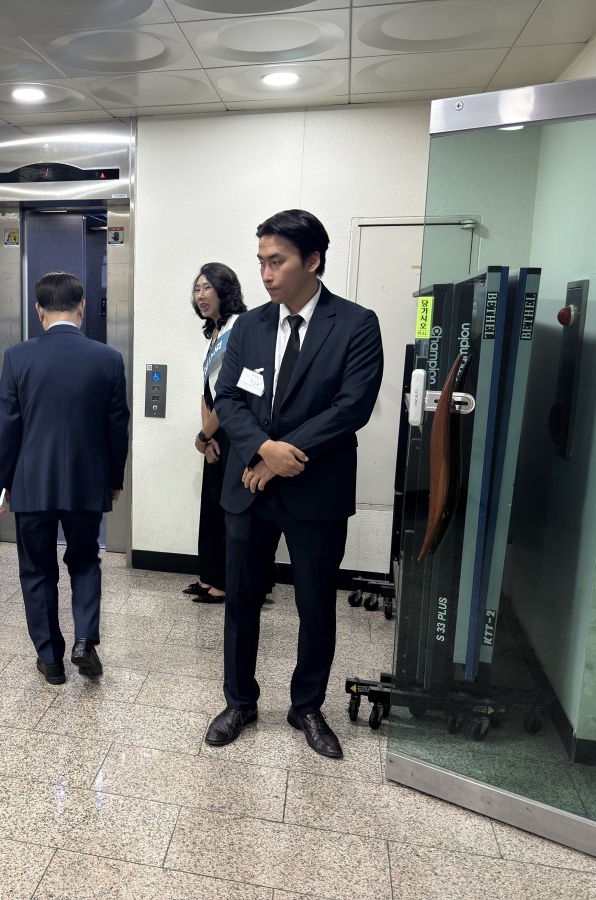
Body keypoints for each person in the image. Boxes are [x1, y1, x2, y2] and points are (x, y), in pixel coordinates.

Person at [204, 210, 383, 759]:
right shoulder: (249, 326)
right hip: (248, 488)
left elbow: (351, 408)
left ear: (312, 261)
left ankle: (306, 705)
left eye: (276, 261)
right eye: (261, 262)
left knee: (315, 605)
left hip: (316, 489)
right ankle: (239, 701)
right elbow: (228, 398)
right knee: (241, 601)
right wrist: (263, 450)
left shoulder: (356, 324)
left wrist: (282, 457)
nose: (265, 274)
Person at [0, 272, 130, 685]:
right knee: (85, 561)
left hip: (32, 484)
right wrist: (114, 478)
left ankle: (50, 659)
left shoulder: (18, 357)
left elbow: (8, 427)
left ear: (39, 311)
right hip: (87, 483)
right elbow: (117, 429)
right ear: (81, 307)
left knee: (36, 569)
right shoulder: (108, 359)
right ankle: (84, 639)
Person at [184, 263, 247, 603]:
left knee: (229, 510)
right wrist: (207, 438)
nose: (201, 295)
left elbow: (230, 393)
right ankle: (208, 576)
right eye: (197, 289)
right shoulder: (216, 330)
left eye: (207, 287)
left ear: (225, 289)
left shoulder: (239, 328)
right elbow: (206, 391)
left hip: (234, 431)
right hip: (215, 432)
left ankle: (224, 582)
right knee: (211, 507)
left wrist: (203, 436)